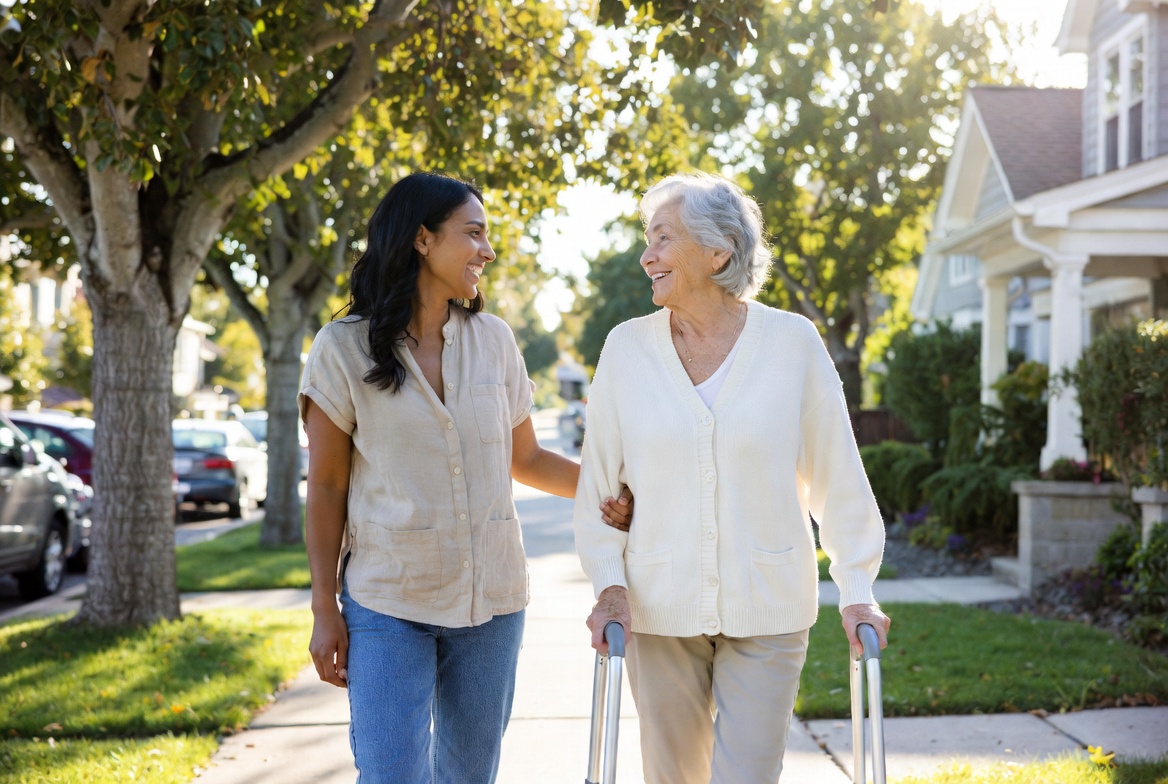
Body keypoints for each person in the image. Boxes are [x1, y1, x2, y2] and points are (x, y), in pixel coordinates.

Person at [299, 171, 631, 784]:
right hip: (387, 601)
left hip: (492, 603)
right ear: (422, 239)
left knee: (469, 777)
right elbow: (325, 488)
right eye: (473, 233)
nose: (488, 249)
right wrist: (325, 606)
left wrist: (608, 495)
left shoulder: (495, 341)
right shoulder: (341, 349)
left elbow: (525, 459)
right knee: (392, 775)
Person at [573, 172, 890, 784]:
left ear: (718, 251)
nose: (647, 255)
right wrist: (609, 585)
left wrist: (857, 586)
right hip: (657, 607)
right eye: (647, 239)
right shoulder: (625, 350)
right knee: (673, 777)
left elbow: (837, 471)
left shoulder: (792, 342)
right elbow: (599, 488)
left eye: (662, 238)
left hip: (768, 603)